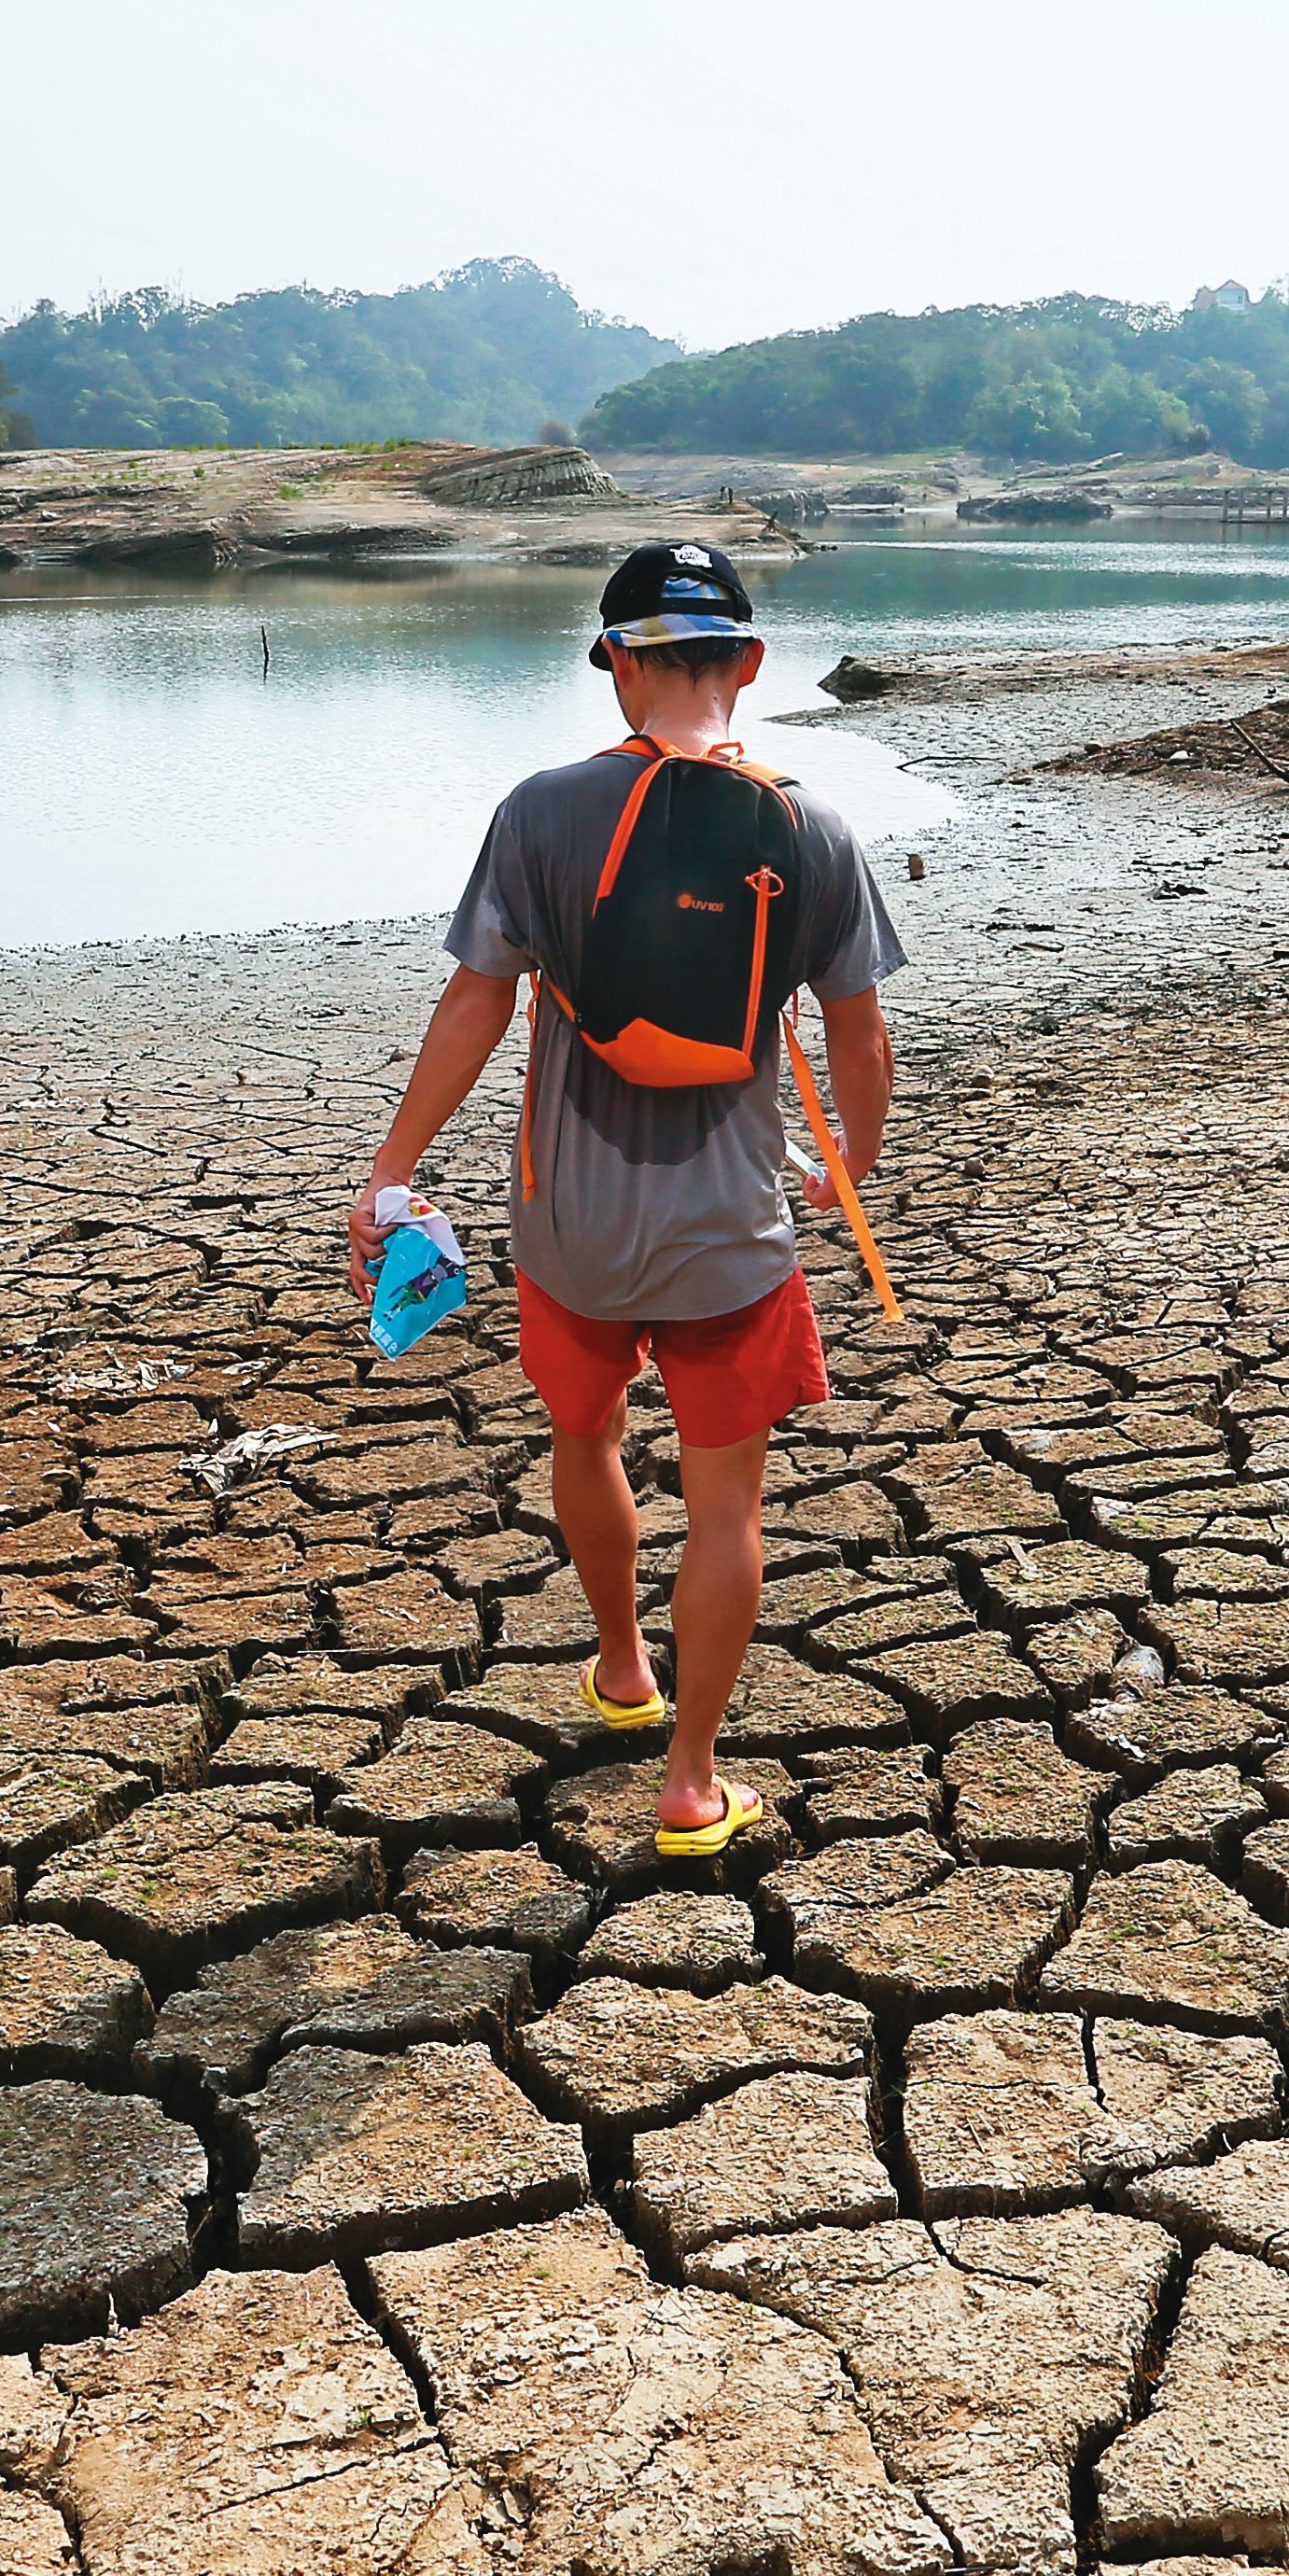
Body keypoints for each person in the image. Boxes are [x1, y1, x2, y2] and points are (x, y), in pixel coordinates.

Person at [353, 540, 904, 1857]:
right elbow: (862, 1036)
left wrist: (392, 1167)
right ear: (749, 662)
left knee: (587, 1439)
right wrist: (849, 1172)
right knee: (729, 1511)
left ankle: (618, 1665)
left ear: (617, 663)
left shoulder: (539, 813)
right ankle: (693, 1783)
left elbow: (476, 1001)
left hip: (570, 1230)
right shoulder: (810, 823)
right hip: (732, 1235)